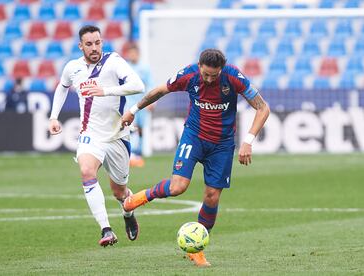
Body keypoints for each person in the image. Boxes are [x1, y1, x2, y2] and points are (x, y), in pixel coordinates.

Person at [121, 49, 270, 266]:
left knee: (212, 196)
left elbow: (263, 107)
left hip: (222, 144)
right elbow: (160, 91)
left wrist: (248, 140)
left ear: (222, 69)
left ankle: (197, 249)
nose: (209, 79)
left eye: (214, 75)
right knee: (177, 187)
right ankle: (138, 199)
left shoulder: (233, 77)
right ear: (199, 65)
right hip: (194, 137)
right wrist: (133, 109)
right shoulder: (189, 74)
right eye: (206, 74)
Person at [49, 25, 145, 247]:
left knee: (120, 191)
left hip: (117, 136)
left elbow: (137, 85)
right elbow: (62, 88)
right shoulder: (72, 68)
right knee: (86, 171)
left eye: (98, 42)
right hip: (90, 135)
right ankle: (106, 230)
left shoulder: (114, 62)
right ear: (80, 46)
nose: (94, 48)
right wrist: (54, 116)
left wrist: (106, 90)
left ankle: (128, 212)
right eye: (89, 44)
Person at [123, 42, 155, 167]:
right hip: (129, 102)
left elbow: (150, 84)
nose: (132, 55)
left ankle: (138, 153)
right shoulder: (126, 67)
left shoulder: (144, 68)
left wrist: (152, 101)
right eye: (130, 53)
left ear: (138, 54)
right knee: (132, 127)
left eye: (134, 53)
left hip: (142, 102)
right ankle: (132, 154)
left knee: (141, 128)